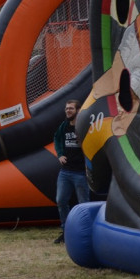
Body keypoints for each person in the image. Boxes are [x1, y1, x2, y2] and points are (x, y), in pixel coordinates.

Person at [53, 99, 89, 245]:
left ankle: (85, 232)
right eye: (66, 108)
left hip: (80, 173)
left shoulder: (84, 126)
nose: (68, 111)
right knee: (61, 201)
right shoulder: (64, 126)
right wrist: (60, 154)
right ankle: (66, 231)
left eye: (71, 109)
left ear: (78, 111)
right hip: (65, 172)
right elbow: (56, 138)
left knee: (84, 205)